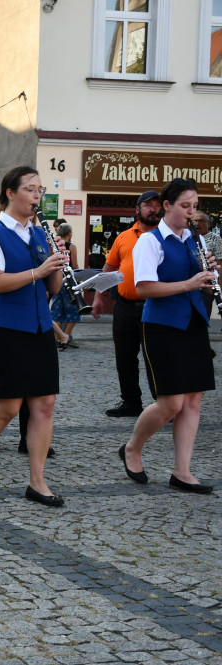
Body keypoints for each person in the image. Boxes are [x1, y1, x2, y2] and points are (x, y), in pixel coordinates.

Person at [0, 167, 69, 506]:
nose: (37, 195)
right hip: (4, 328)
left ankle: (37, 481)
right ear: (10, 193)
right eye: (30, 189)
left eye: (40, 190)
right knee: (8, 406)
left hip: (38, 326)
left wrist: (58, 266)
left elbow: (51, 289)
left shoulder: (39, 234)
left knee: (44, 404)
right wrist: (38, 270)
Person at [120, 178, 217, 494]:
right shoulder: (150, 241)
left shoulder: (194, 239)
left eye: (194, 206)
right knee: (171, 403)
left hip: (193, 324)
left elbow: (206, 279)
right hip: (162, 326)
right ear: (167, 206)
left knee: (193, 401)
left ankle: (182, 471)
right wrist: (189, 284)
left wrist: (212, 274)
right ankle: (133, 447)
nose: (191, 213)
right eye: (185, 206)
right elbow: (144, 287)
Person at [92, 190, 161, 417]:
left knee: (157, 357)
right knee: (125, 356)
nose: (153, 209)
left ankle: (164, 404)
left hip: (156, 306)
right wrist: (98, 296)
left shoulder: (165, 236)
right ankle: (131, 402)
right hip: (125, 306)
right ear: (137, 209)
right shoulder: (123, 237)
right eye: (148, 205)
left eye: (157, 205)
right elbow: (109, 268)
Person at [50, 222, 82, 350]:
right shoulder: (71, 247)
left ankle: (57, 339)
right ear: (70, 233)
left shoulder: (54, 244)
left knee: (57, 311)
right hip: (69, 282)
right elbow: (74, 266)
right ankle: (66, 337)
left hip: (57, 281)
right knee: (73, 312)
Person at [193, 211, 221, 318]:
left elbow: (220, 264)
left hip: (207, 286)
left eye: (201, 221)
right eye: (195, 221)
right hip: (189, 285)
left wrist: (219, 288)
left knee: (203, 316)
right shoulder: (187, 236)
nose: (197, 223)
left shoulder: (215, 238)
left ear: (208, 223)